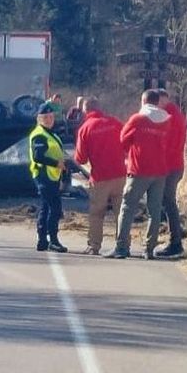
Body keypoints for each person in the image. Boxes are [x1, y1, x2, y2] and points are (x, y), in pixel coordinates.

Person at [107, 88, 171, 259]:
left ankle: (122, 247)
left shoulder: (137, 119)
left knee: (127, 208)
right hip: (160, 171)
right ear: (158, 102)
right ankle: (149, 249)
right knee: (154, 211)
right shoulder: (167, 120)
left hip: (139, 169)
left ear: (143, 101)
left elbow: (123, 139)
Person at [72, 97, 126, 255]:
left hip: (100, 177)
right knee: (121, 212)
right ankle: (123, 244)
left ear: (85, 110)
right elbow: (127, 142)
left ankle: (94, 245)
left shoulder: (85, 128)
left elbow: (80, 158)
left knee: (97, 213)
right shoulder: (115, 122)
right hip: (120, 174)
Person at [28, 102, 68, 252]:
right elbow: (38, 156)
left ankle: (43, 240)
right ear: (39, 119)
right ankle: (53, 240)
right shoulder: (39, 135)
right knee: (55, 209)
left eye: (51, 117)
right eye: (46, 117)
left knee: (45, 208)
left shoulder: (52, 134)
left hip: (52, 176)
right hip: (44, 175)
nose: (50, 119)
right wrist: (56, 163)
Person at [156, 89, 187, 259]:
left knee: (168, 201)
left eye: (157, 101)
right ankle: (177, 231)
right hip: (174, 165)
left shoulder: (169, 117)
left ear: (164, 100)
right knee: (165, 201)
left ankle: (176, 242)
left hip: (170, 166)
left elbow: (167, 144)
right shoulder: (175, 115)